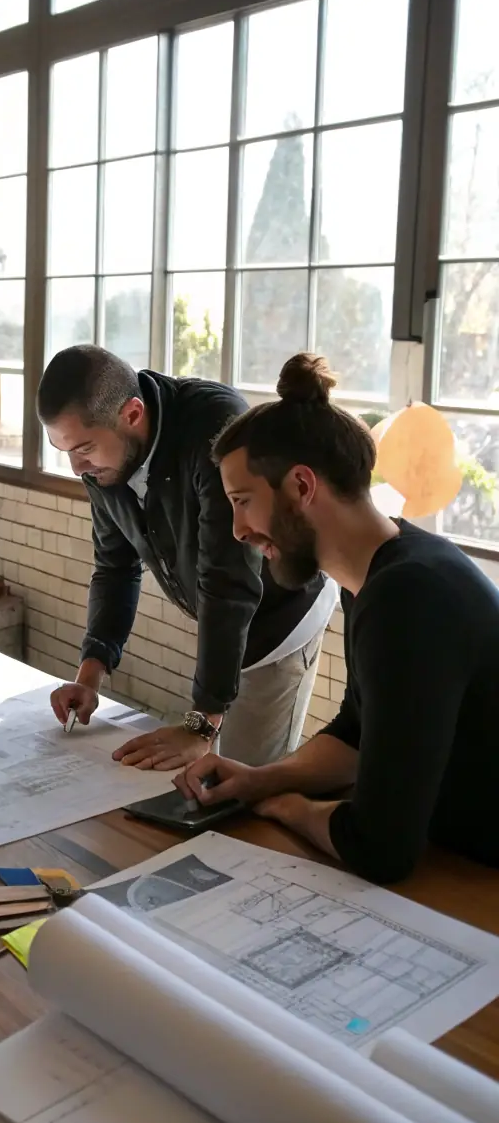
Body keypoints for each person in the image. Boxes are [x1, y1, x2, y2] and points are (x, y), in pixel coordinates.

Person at [176, 353, 499, 883]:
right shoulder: (382, 573)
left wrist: (290, 808)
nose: (237, 529)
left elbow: (380, 847)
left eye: (242, 500)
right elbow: (357, 732)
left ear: (302, 487)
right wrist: (260, 780)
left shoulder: (408, 597)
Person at [38, 345, 337, 770]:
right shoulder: (102, 462)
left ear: (132, 414)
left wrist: (201, 723)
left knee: (244, 779)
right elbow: (115, 566)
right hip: (225, 614)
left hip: (280, 614)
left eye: (83, 448)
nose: (75, 467)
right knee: (210, 771)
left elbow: (228, 580)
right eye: (63, 450)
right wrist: (89, 676)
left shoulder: (214, 428)